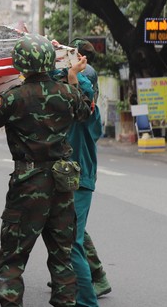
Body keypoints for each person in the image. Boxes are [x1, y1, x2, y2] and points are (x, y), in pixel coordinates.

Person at [0, 34, 91, 307]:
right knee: (62, 257)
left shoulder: (14, 98)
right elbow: (85, 112)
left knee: (13, 260)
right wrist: (73, 75)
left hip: (28, 185)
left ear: (21, 65)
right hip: (62, 185)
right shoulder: (68, 93)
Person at [68, 38, 110, 303]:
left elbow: (84, 98)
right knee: (72, 232)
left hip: (80, 180)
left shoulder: (89, 113)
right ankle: (89, 276)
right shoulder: (69, 103)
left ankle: (89, 291)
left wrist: (75, 76)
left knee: (72, 238)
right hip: (66, 178)